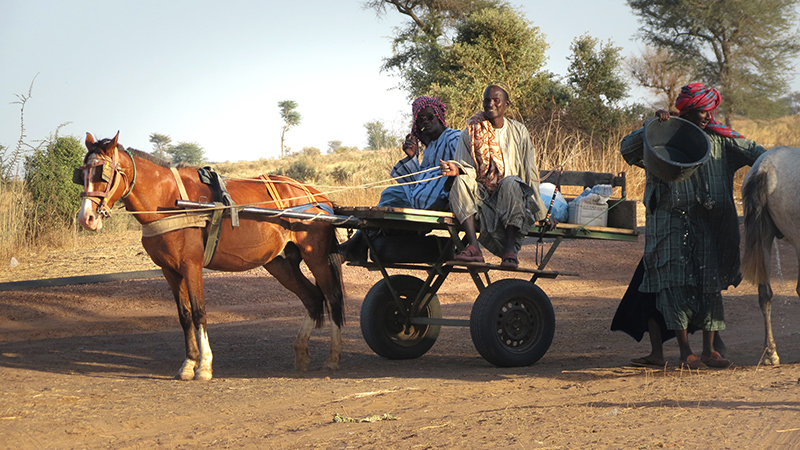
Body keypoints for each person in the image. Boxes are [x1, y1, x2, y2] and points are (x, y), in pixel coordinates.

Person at [616, 82, 766, 369]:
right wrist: (651, 125)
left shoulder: (723, 141)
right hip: (667, 224)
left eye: (710, 111)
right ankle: (686, 353)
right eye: (701, 112)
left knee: (709, 285)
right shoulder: (664, 133)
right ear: (687, 111)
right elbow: (628, 149)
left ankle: (709, 351)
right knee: (674, 284)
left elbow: (759, 153)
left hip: (708, 224)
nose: (708, 117)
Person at [440, 81, 556, 269]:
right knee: (460, 179)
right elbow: (464, 168)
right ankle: (473, 247)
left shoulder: (519, 132)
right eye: (487, 101)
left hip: (512, 198)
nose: (491, 105)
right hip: (480, 199)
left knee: (511, 182)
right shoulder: (470, 132)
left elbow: (530, 172)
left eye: (496, 100)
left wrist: (542, 213)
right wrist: (455, 170)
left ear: (506, 104)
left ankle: (509, 249)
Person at [338, 96, 460, 261]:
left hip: (440, 198)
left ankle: (355, 244)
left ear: (438, 116)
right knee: (390, 194)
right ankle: (359, 244)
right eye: (421, 119)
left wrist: (444, 198)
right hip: (422, 196)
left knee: (390, 195)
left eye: (430, 117)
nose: (426, 122)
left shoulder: (453, 138)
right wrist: (412, 157)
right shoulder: (430, 147)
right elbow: (421, 178)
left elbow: (461, 171)